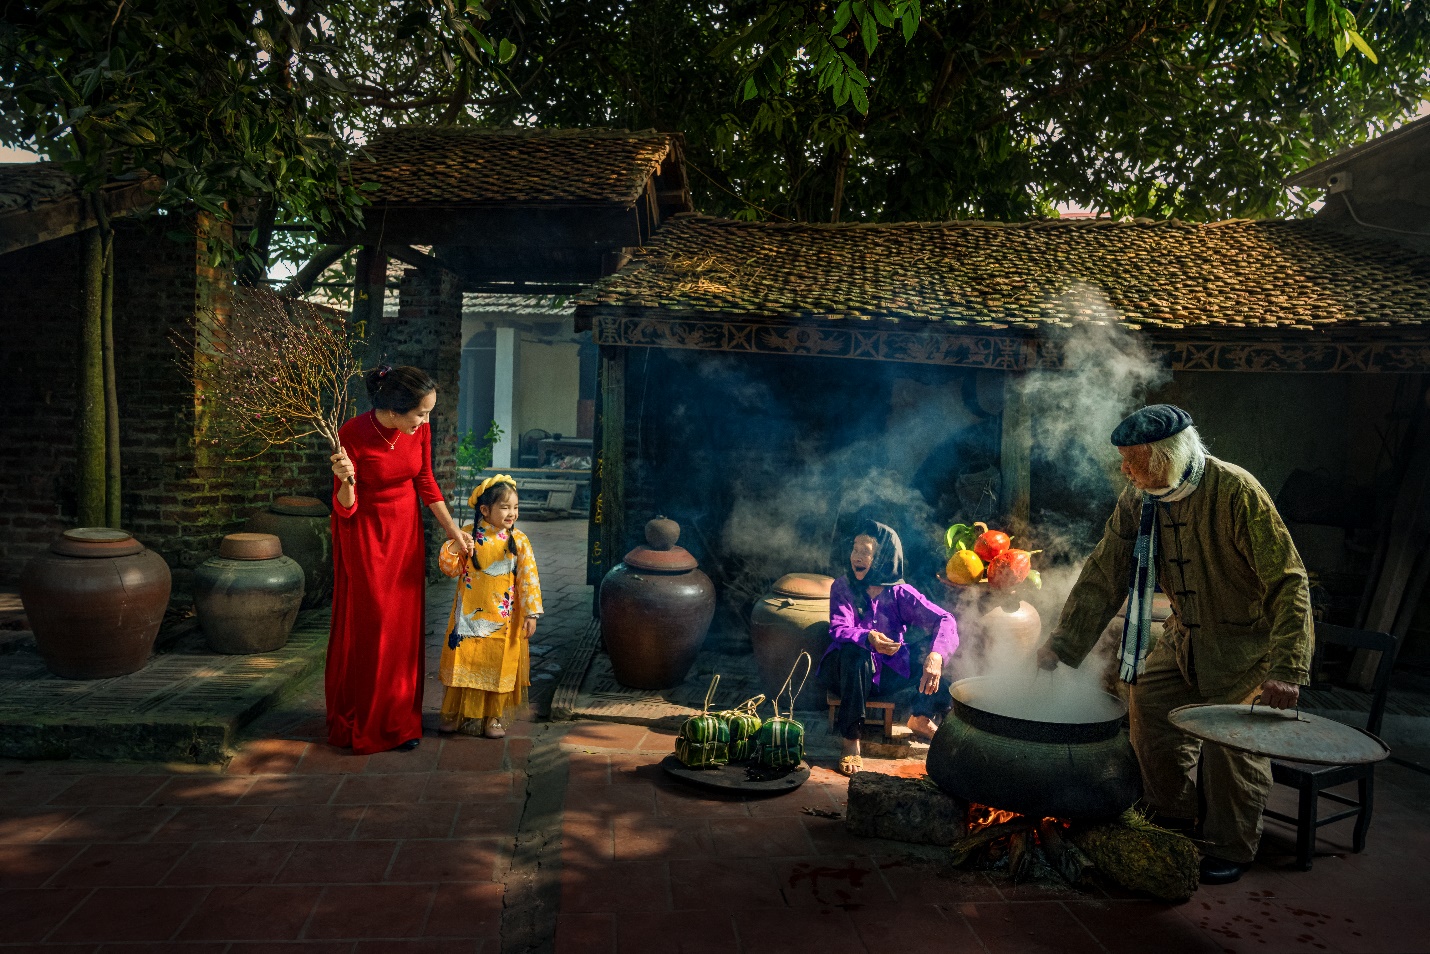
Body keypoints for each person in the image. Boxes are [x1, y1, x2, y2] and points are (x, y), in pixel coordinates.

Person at [1036, 404, 1313, 885]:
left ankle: (1232, 845)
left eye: (1132, 459)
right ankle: (1172, 814)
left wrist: (1288, 668)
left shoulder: (1235, 490)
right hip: (1183, 634)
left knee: (1233, 743)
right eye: (1123, 460)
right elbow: (1107, 571)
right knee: (1150, 701)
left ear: (1166, 454)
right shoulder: (1139, 497)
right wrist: (1061, 643)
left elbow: (1289, 581)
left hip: (1245, 647)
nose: (1125, 470)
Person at [326, 365, 474, 755]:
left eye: (428, 413)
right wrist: (345, 481)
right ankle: (367, 721)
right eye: (420, 413)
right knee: (375, 623)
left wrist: (452, 531)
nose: (425, 421)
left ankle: (400, 721)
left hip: (405, 532)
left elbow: (425, 479)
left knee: (403, 627)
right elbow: (344, 508)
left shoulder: (417, 430)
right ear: (393, 410)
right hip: (366, 535)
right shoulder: (352, 434)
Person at [822, 520, 959, 777]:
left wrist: (936, 656)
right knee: (857, 652)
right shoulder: (843, 586)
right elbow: (838, 628)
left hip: (886, 673)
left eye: (865, 551)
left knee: (938, 650)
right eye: (855, 549)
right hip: (846, 673)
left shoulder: (900, 593)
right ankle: (851, 740)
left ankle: (920, 716)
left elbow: (945, 619)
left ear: (883, 558)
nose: (857, 557)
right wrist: (868, 637)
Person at [436, 475, 543, 739]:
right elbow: (449, 569)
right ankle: (454, 713)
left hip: (504, 620)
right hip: (467, 617)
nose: (512, 513)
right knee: (466, 660)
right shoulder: (469, 536)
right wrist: (453, 545)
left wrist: (531, 613)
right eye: (505, 507)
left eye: (515, 508)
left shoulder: (519, 540)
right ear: (485, 510)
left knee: (498, 664)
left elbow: (528, 578)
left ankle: (493, 718)